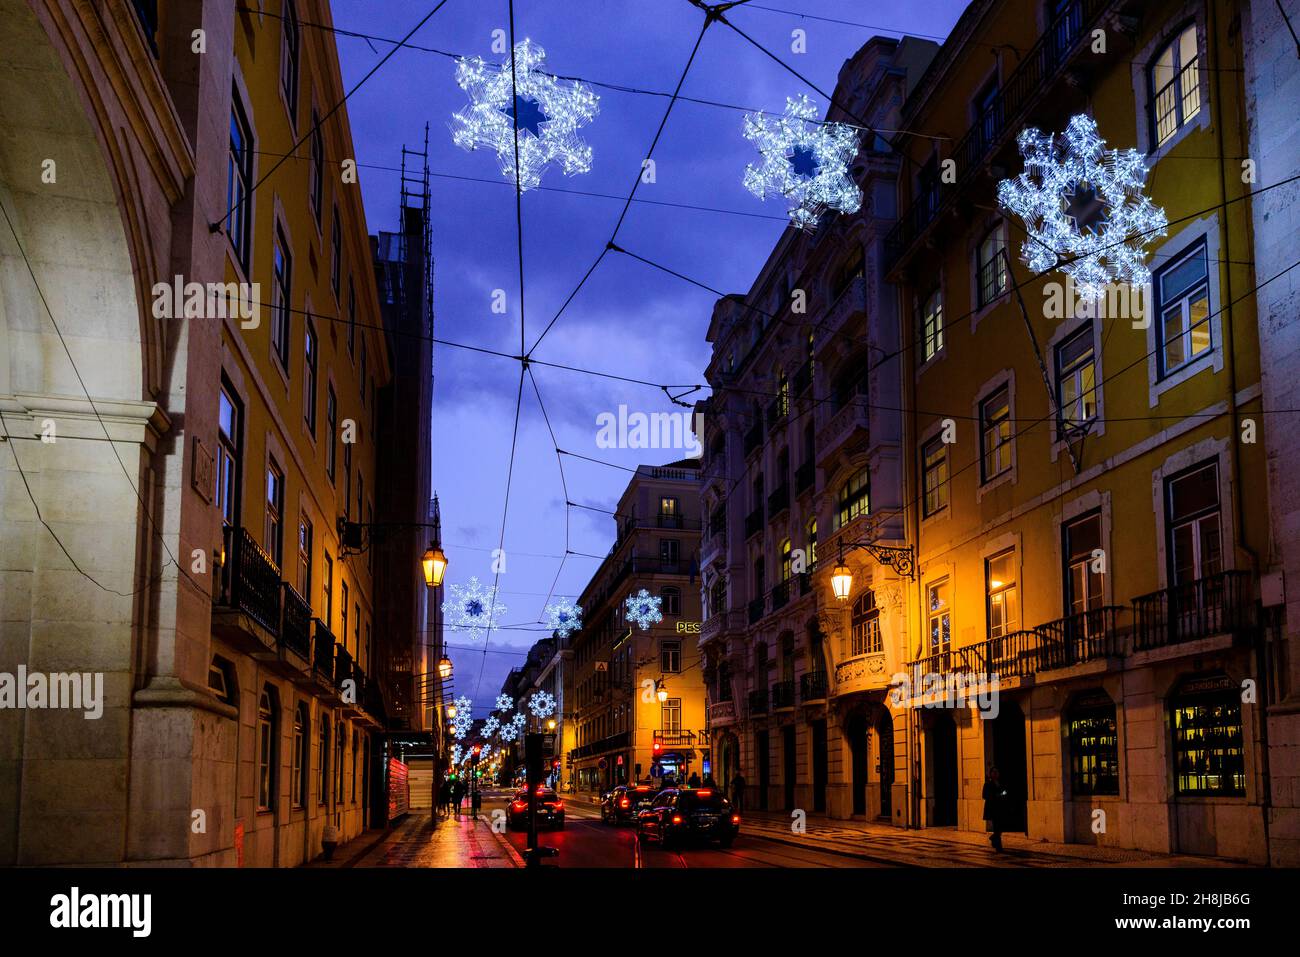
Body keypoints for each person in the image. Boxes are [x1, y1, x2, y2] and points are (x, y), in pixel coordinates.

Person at [982, 766, 1008, 852]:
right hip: (992, 808)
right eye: (994, 772)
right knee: (997, 826)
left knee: (1000, 827)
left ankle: (993, 838)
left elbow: (1005, 791)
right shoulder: (987, 784)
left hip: (1001, 807)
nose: (996, 773)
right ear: (991, 774)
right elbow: (984, 795)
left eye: (997, 772)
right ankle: (999, 847)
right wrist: (996, 796)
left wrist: (1003, 794)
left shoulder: (1001, 783)